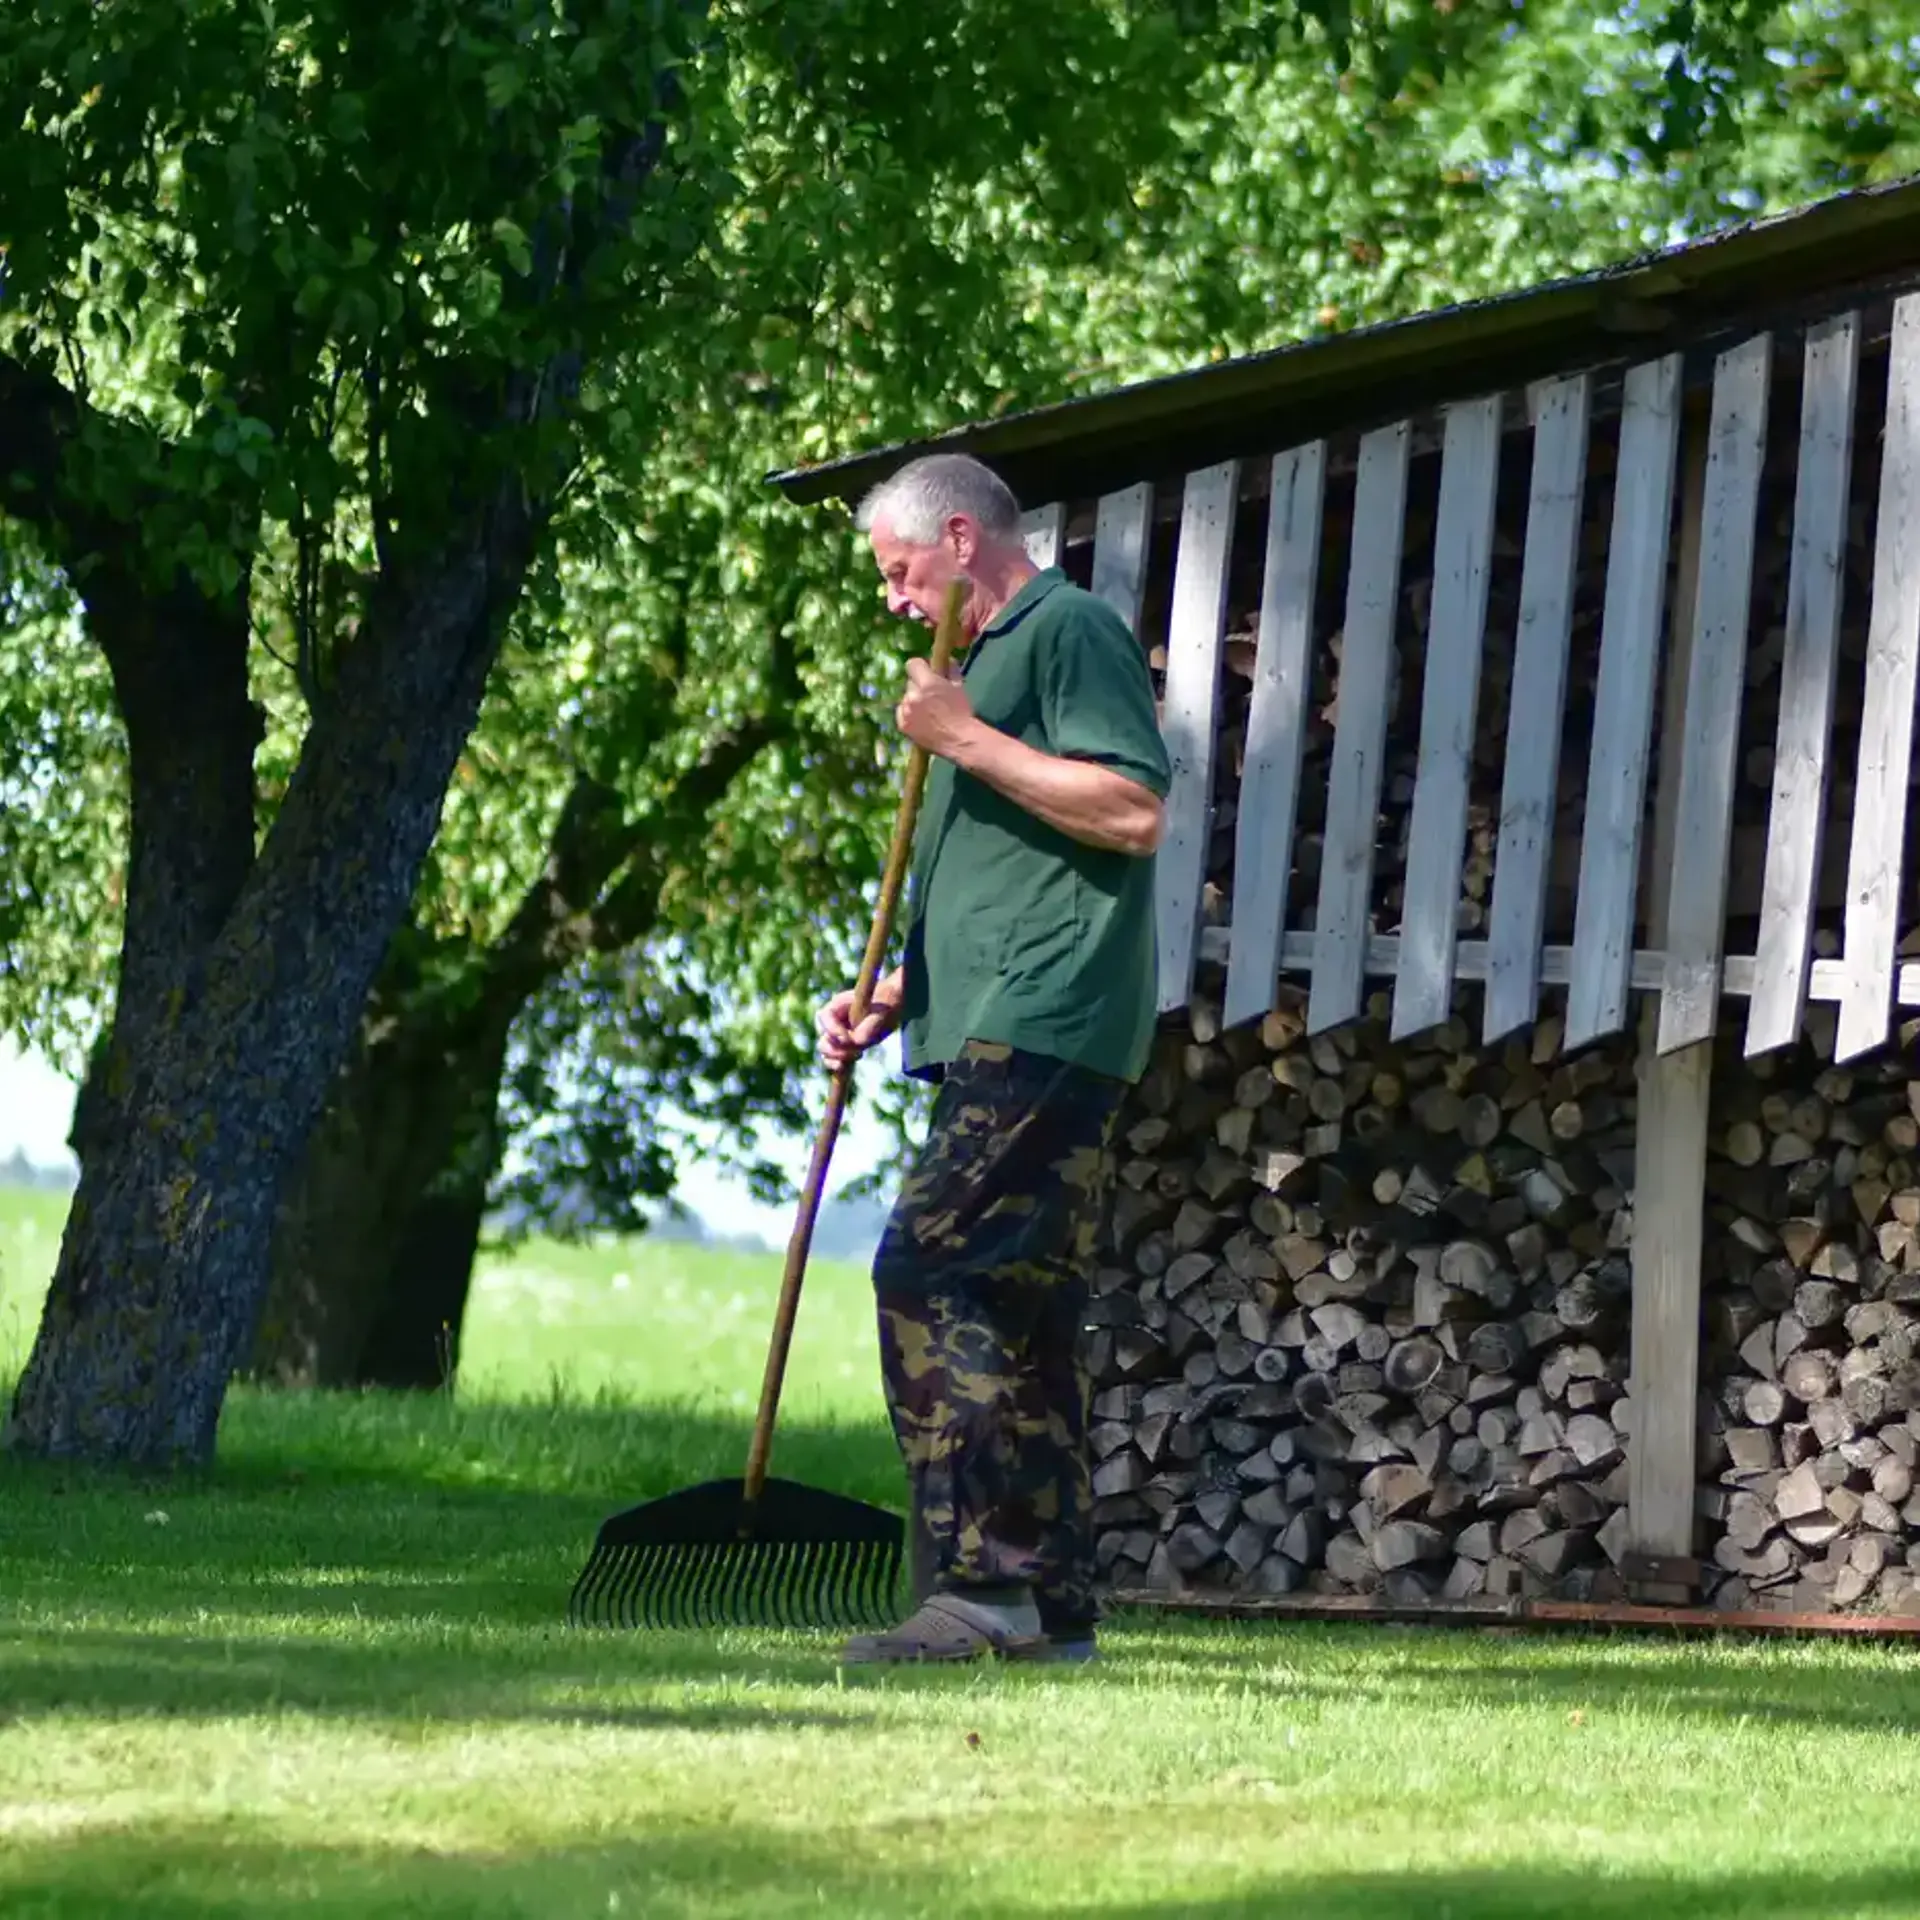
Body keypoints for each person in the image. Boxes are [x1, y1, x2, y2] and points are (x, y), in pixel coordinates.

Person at [816, 452, 1171, 1665]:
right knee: (1022, 1309)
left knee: (928, 1274)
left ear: (961, 539)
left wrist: (966, 739)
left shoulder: (1067, 631)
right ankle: (1050, 1611)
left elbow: (1132, 813)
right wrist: (898, 992)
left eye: (901, 571)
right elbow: (1022, 875)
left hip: (1050, 1019)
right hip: (1001, 1013)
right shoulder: (984, 663)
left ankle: (978, 1589)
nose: (895, 598)